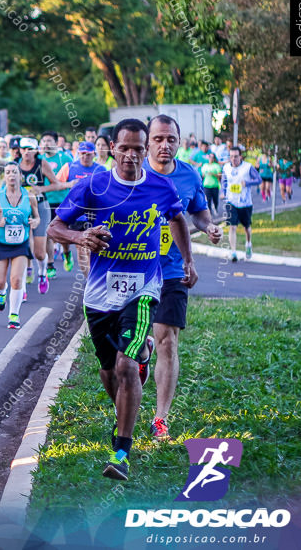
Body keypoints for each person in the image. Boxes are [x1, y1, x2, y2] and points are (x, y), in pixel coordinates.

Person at [48, 118, 194, 482]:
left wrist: (188, 259)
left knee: (127, 367)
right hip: (99, 294)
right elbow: (55, 227)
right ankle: (125, 411)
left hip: (143, 289)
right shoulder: (94, 186)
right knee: (108, 370)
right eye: (124, 148)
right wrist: (81, 237)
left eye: (138, 149)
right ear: (112, 148)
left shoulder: (160, 186)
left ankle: (122, 451)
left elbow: (177, 219)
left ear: (146, 151)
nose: (131, 155)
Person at [145, 116, 222, 441]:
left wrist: (209, 226)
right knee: (129, 347)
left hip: (173, 270)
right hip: (133, 270)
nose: (165, 145)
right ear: (148, 141)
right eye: (158, 139)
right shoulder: (132, 173)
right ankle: (140, 352)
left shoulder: (189, 174)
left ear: (179, 141)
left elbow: (199, 212)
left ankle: (160, 417)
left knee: (168, 340)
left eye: (171, 139)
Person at [0, 163, 38, 329]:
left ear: (20, 176)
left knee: (17, 280)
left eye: (14, 172)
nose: (11, 175)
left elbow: (37, 217)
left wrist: (34, 221)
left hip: (20, 243)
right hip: (0, 243)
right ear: (4, 176)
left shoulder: (29, 196)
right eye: (8, 172)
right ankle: (1, 294)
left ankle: (14, 314)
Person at [16, 137, 66, 294]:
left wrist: (40, 189)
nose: (26, 152)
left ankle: (42, 273)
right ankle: (21, 286)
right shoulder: (15, 164)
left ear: (35, 150)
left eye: (30, 149)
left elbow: (56, 184)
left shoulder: (41, 163)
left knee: (38, 252)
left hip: (41, 206)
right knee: (22, 247)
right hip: (21, 207)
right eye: (24, 149)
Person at [55, 142, 107, 275]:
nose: (85, 157)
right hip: (76, 214)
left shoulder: (101, 170)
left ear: (94, 154)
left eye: (88, 154)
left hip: (95, 215)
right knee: (81, 247)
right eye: (82, 154)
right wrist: (69, 184)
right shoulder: (70, 167)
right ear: (78, 154)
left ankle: (94, 276)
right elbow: (56, 184)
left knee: (94, 247)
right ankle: (89, 279)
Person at [39, 131, 73, 279]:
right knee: (48, 233)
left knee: (62, 234)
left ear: (55, 143)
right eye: (44, 141)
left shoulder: (65, 158)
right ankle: (50, 264)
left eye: (49, 141)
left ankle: (66, 253)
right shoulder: (39, 160)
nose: (46, 143)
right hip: (46, 201)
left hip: (63, 201)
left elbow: (71, 179)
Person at [223, 146, 257, 261]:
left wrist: (247, 183)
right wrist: (223, 192)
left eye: (236, 156)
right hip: (231, 201)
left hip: (245, 203)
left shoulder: (248, 167)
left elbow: (258, 179)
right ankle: (233, 252)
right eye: (231, 156)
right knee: (232, 226)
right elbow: (224, 180)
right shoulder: (226, 167)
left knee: (247, 227)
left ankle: (248, 244)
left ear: (240, 156)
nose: (233, 159)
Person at [199, 152, 223, 216]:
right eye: (210, 157)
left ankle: (215, 208)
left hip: (215, 185)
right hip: (206, 185)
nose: (211, 158)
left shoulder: (216, 165)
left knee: (215, 200)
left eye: (212, 157)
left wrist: (213, 174)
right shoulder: (205, 165)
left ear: (214, 158)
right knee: (208, 200)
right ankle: (209, 213)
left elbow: (220, 175)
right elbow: (202, 175)